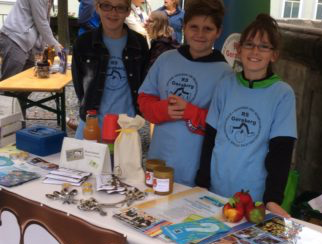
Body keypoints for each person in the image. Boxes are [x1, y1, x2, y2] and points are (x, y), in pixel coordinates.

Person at [195, 14, 297, 218]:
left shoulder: (282, 93)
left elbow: (281, 152)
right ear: (239, 50)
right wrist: (202, 183)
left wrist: (273, 199)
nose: (255, 51)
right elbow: (210, 138)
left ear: (274, 55)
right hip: (215, 191)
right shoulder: (225, 85)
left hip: (253, 200)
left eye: (263, 46)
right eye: (249, 44)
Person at [138, 0, 232, 187]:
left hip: (196, 166)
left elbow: (225, 125)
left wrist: (191, 112)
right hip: (159, 158)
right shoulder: (166, 60)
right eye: (194, 27)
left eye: (208, 29)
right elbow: (144, 99)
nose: (199, 34)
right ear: (184, 27)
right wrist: (162, 109)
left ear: (218, 32)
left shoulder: (225, 73)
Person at [72, 0, 149, 139]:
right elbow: (79, 86)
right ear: (97, 8)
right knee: (88, 161)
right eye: (106, 5)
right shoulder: (83, 43)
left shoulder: (139, 44)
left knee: (123, 161)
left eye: (120, 7)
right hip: (91, 125)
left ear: (128, 11)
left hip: (126, 127)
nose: (113, 13)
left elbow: (143, 83)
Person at [0, 0, 62, 81]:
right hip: (15, 39)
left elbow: (42, 23)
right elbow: (42, 23)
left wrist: (42, 48)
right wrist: (56, 46)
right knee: (10, 83)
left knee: (28, 81)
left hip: (26, 43)